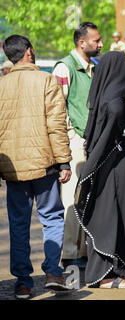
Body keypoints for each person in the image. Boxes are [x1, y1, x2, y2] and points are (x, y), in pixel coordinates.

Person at [0, 35, 73, 299]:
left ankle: (22, 283)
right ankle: (53, 273)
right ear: (29, 52)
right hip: (45, 164)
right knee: (52, 218)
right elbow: (57, 125)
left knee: (18, 224)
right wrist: (64, 160)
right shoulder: (46, 80)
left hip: (14, 169)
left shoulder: (2, 85)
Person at [73, 51, 125, 288]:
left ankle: (110, 271)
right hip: (114, 169)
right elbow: (106, 140)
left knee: (111, 216)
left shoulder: (108, 96)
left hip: (113, 167)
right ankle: (105, 276)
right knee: (110, 218)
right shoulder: (115, 103)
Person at [52, 22, 103, 269]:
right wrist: (68, 142)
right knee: (72, 200)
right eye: (96, 40)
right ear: (82, 43)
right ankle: (70, 255)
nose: (100, 44)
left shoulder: (93, 67)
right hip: (74, 143)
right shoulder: (65, 68)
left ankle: (82, 252)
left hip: (90, 142)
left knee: (85, 198)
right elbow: (56, 109)